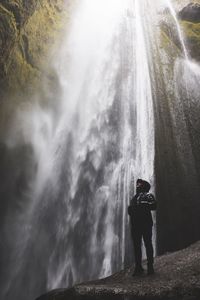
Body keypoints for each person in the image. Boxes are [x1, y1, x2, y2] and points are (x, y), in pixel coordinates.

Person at [128, 179, 157, 276]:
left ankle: (150, 267)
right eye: (137, 185)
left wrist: (143, 206)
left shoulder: (148, 196)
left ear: (144, 186)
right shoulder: (134, 198)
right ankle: (138, 267)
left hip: (145, 224)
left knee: (148, 244)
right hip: (135, 225)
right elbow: (130, 211)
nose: (137, 186)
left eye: (139, 184)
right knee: (137, 246)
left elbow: (154, 206)